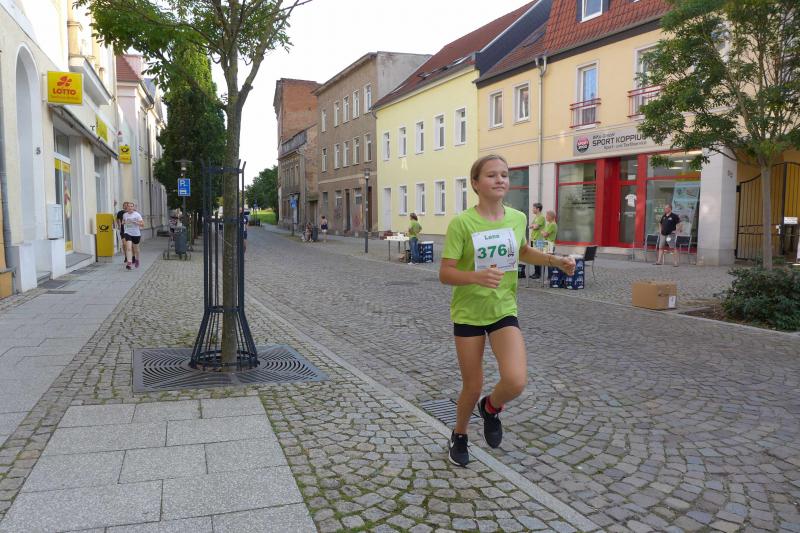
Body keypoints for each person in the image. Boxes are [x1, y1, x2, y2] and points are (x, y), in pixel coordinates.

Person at [439, 154, 575, 467]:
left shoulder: (517, 218)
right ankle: (459, 434)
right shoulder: (462, 223)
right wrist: (476, 277)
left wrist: (555, 261)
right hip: (469, 313)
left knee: (515, 380)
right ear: (475, 183)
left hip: (503, 309)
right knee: (472, 385)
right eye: (491, 175)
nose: (500, 179)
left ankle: (490, 408)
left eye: (504, 174)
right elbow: (445, 273)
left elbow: (523, 250)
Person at [122, 202, 144, 270]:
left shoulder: (137, 215)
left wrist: (136, 222)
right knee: (128, 248)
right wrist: (124, 222)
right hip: (127, 233)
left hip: (136, 234)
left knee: (136, 249)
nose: (130, 207)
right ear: (127, 207)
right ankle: (129, 263)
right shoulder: (125, 215)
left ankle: (137, 259)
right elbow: (123, 222)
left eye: (131, 206)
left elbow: (142, 224)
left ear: (133, 207)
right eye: (129, 206)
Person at [528, 203, 546, 279]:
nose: (532, 209)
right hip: (534, 239)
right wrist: (533, 226)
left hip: (539, 240)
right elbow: (530, 226)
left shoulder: (541, 217)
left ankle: (539, 274)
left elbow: (535, 227)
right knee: (534, 256)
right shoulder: (536, 217)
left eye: (534, 208)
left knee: (539, 256)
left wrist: (533, 226)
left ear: (538, 209)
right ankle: (536, 273)